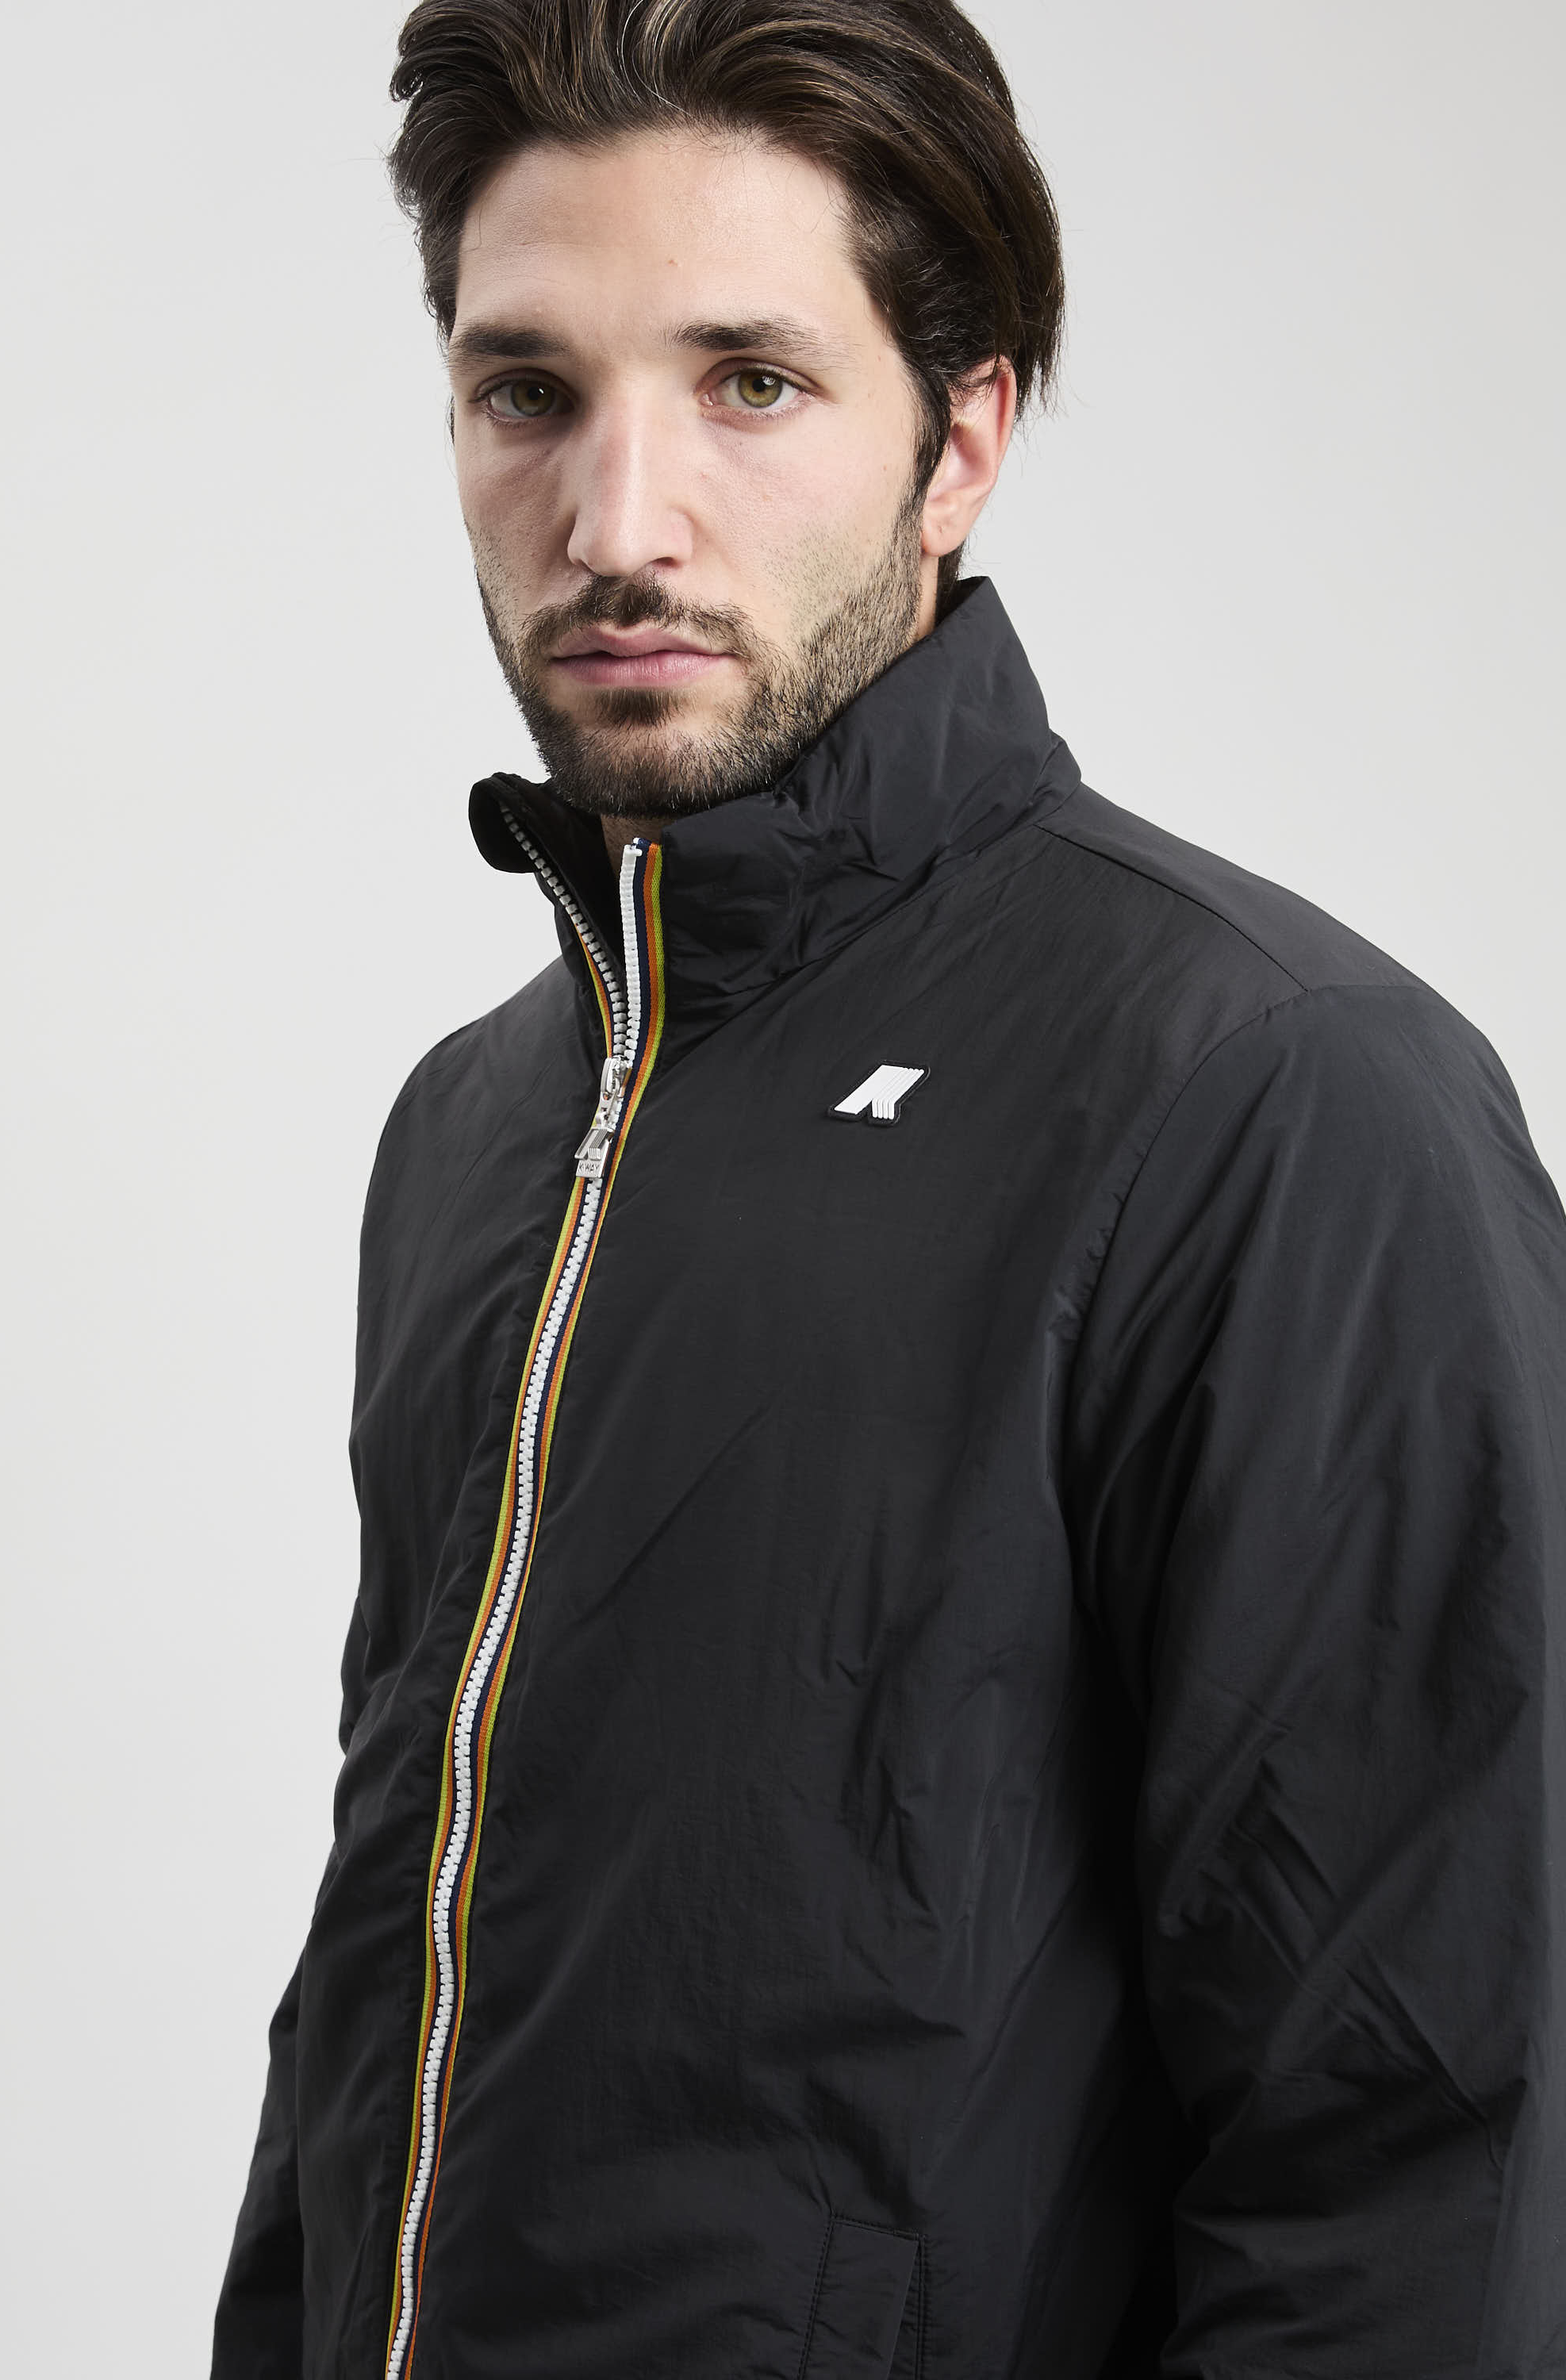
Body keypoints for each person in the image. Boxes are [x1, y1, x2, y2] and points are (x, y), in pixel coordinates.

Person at [213, 3, 1566, 2374]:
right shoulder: (479, 1125)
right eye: (527, 391)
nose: (617, 522)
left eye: (750, 382)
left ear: (963, 441)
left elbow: (1430, 2156)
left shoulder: (1280, 1101)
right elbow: (373, 2005)